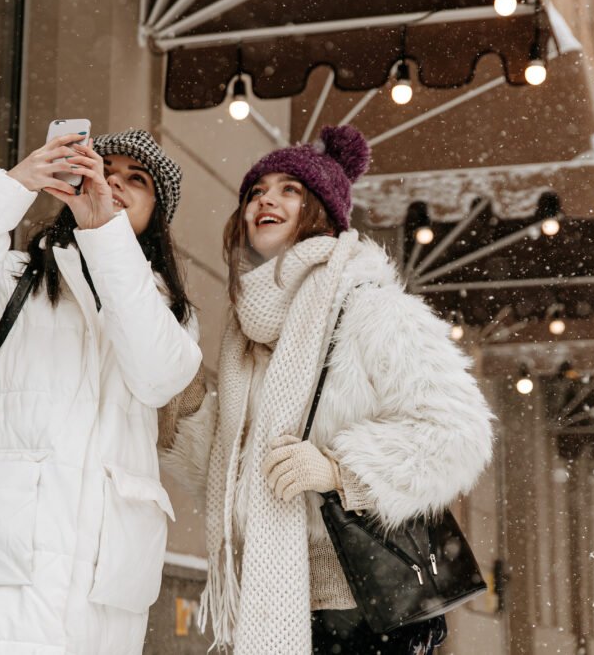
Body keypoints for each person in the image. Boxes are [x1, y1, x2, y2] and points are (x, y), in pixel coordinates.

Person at [160, 125, 494, 654]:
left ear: (320, 211)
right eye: (255, 191)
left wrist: (341, 471)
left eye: (289, 189)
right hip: (274, 601)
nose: (265, 198)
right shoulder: (245, 337)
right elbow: (244, 476)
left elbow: (459, 432)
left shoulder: (370, 308)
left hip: (363, 605)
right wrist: (177, 398)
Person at [0, 129, 203, 654]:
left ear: (156, 215)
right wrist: (11, 189)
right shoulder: (15, 278)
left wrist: (104, 235)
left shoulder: (170, 313)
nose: (114, 182)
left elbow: (157, 376)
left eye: (137, 180)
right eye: (104, 169)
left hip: (97, 605)